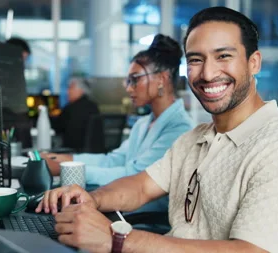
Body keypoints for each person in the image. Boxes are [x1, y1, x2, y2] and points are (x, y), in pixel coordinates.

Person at [36, 7, 278, 253]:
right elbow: (140, 186)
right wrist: (93, 199)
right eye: (196, 60)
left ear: (254, 63)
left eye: (223, 56)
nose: (208, 74)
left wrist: (120, 239)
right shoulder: (195, 138)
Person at [42, 34, 194, 212]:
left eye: (135, 79)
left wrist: (64, 169)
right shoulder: (143, 124)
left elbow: (133, 175)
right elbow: (114, 160)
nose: (129, 88)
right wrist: (67, 160)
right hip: (125, 209)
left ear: (161, 79)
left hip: (147, 219)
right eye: (128, 81)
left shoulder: (180, 129)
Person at [51, 77, 100, 152]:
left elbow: (57, 129)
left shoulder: (70, 108)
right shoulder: (94, 107)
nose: (68, 92)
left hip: (71, 152)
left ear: (80, 91)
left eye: (71, 88)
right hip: (92, 152)